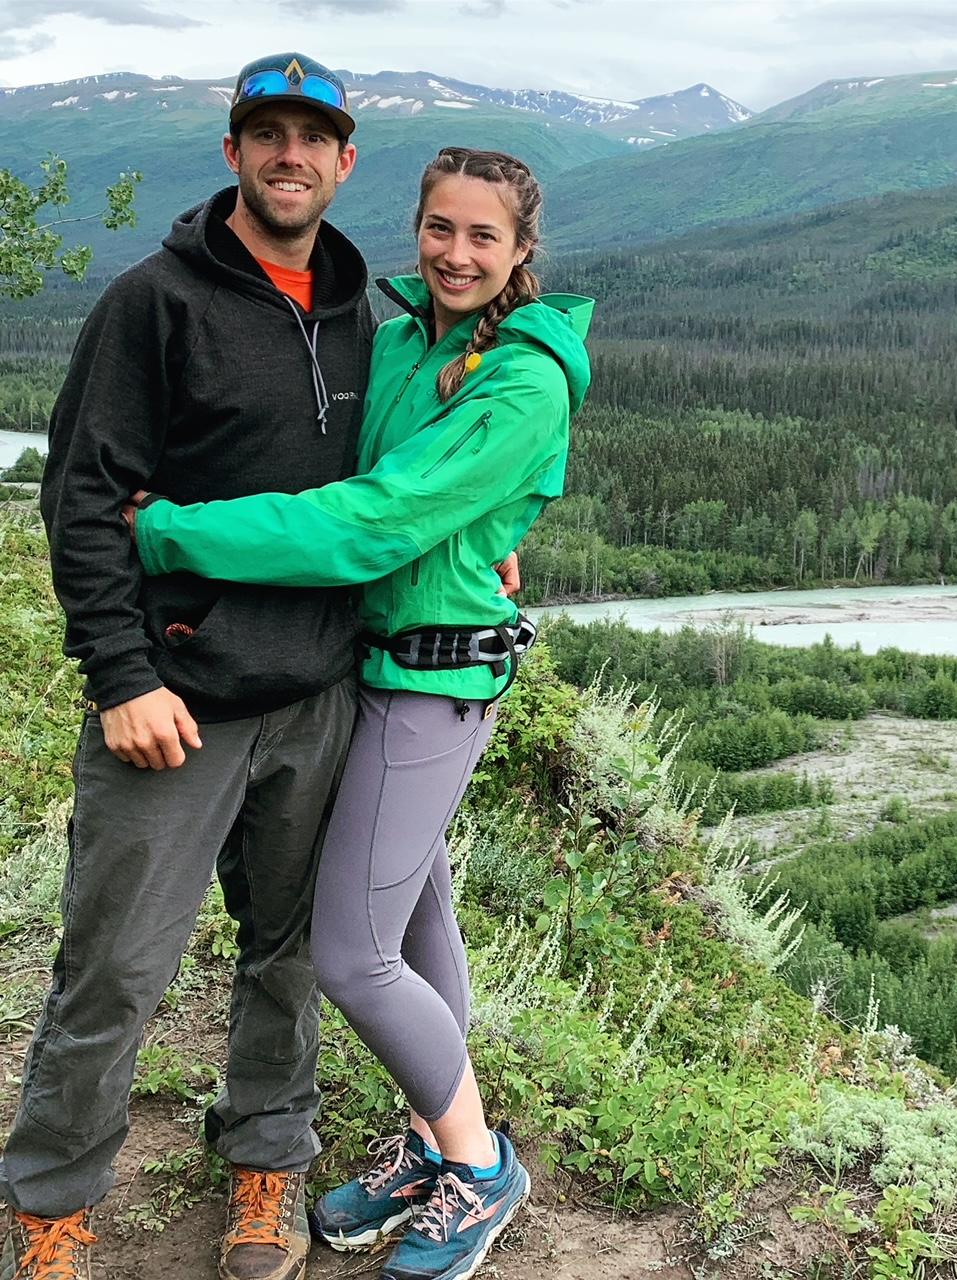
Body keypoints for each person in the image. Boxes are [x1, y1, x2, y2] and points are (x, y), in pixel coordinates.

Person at [128, 146, 592, 1280]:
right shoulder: (401, 342)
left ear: (522, 249)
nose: (455, 254)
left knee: (352, 953)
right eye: (440, 228)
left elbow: (371, 524)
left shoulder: (524, 380)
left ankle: (479, 1166)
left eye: (483, 236)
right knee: (419, 926)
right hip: (366, 668)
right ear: (416, 227)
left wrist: (168, 531)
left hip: (430, 685)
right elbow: (347, 467)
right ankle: (435, 1139)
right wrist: (491, 534)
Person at [2, 52, 374, 1280]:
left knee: (289, 951)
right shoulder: (152, 302)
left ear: (343, 161)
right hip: (175, 701)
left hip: (316, 697)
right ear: (232, 153)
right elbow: (81, 498)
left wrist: (490, 542)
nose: (288, 155)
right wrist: (121, 676)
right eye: (266, 134)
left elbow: (395, 492)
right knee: (113, 965)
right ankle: (52, 1203)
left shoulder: (364, 317)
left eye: (310, 138)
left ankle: (267, 1160)